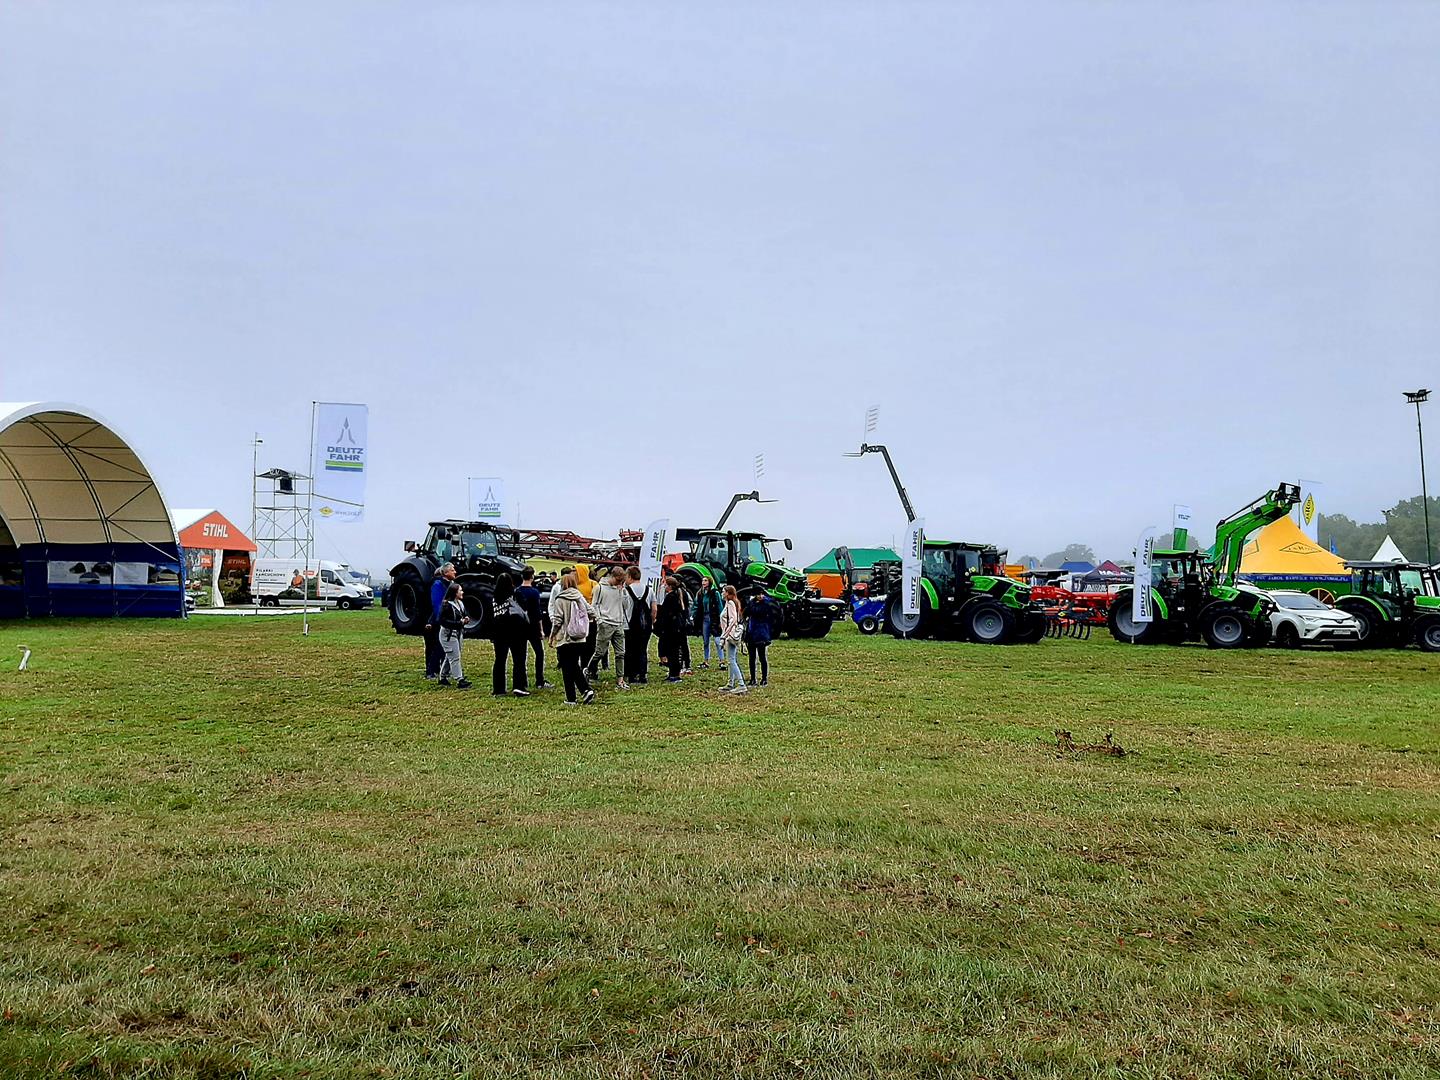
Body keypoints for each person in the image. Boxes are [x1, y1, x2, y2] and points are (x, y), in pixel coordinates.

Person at [550, 571, 596, 705]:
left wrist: (552, 635)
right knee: (574, 665)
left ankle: (574, 696)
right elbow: (592, 611)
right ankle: (584, 691)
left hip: (565, 637)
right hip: (579, 637)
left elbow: (557, 621)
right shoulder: (579, 597)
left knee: (567, 668)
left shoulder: (560, 599)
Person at [587, 567, 630, 689]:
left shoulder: (620, 589)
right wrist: (599, 620)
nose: (619, 583)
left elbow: (625, 606)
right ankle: (589, 670)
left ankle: (620, 679)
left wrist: (623, 592)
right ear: (612, 576)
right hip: (605, 623)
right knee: (600, 652)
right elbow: (594, 605)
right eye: (618, 580)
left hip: (618, 623)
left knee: (620, 653)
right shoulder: (600, 588)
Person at [489, 571, 530, 697]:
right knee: (519, 660)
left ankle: (499, 688)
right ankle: (519, 686)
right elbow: (524, 610)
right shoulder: (516, 595)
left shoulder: (494, 598)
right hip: (517, 631)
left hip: (499, 633)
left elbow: (490, 617)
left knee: (500, 660)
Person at [516, 567, 552, 689]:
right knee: (539, 653)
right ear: (532, 576)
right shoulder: (534, 592)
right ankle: (539, 680)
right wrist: (541, 629)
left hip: (521, 625)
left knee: (521, 655)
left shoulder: (517, 591)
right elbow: (537, 613)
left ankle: (522, 681)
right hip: (533, 626)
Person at [423, 562, 457, 679]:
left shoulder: (451, 585)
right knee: (435, 646)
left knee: (442, 647)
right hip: (436, 621)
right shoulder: (437, 585)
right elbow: (437, 605)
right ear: (445, 573)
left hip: (443, 619)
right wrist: (441, 620)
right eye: (452, 570)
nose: (455, 572)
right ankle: (430, 671)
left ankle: (441, 670)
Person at [436, 581, 472, 689]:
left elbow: (463, 614)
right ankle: (459, 679)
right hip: (448, 635)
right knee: (455, 657)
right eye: (460, 590)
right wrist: (459, 623)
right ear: (455, 593)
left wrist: (466, 618)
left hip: (457, 633)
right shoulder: (446, 605)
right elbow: (443, 621)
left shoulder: (460, 603)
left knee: (450, 656)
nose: (462, 592)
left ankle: (442, 677)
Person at [623, 566, 654, 685]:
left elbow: (623, 607)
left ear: (629, 576)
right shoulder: (649, 590)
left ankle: (631, 675)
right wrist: (651, 621)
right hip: (645, 626)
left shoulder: (626, 591)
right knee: (642, 650)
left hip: (630, 625)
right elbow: (654, 609)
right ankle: (642, 675)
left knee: (630, 650)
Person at [745, 590, 781, 687]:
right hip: (751, 633)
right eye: (758, 594)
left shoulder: (766, 604)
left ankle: (764, 678)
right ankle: (753, 678)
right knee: (752, 658)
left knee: (762, 657)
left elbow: (757, 612)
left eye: (762, 594)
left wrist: (751, 604)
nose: (761, 596)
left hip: (761, 634)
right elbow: (746, 612)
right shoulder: (752, 603)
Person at [658, 575, 688, 682]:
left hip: (671, 628)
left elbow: (667, 613)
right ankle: (673, 673)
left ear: (670, 586)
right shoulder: (677, 595)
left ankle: (674, 674)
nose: (664, 586)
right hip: (676, 627)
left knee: (672, 652)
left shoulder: (670, 597)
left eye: (665, 585)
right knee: (673, 651)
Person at [718, 584, 747, 694]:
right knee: (731, 659)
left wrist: (724, 635)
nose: (722, 593)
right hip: (731, 634)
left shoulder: (730, 603)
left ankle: (741, 684)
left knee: (731, 660)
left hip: (730, 635)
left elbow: (733, 620)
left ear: (728, 593)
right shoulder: (731, 603)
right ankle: (730, 683)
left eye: (723, 591)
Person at [692, 577, 723, 669]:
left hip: (714, 618)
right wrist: (693, 615)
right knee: (706, 641)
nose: (703, 582)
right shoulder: (700, 593)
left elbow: (719, 605)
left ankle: (722, 660)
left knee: (717, 640)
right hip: (705, 618)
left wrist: (721, 619)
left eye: (705, 580)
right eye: (702, 580)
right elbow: (696, 605)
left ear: (709, 582)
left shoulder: (715, 593)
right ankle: (706, 660)